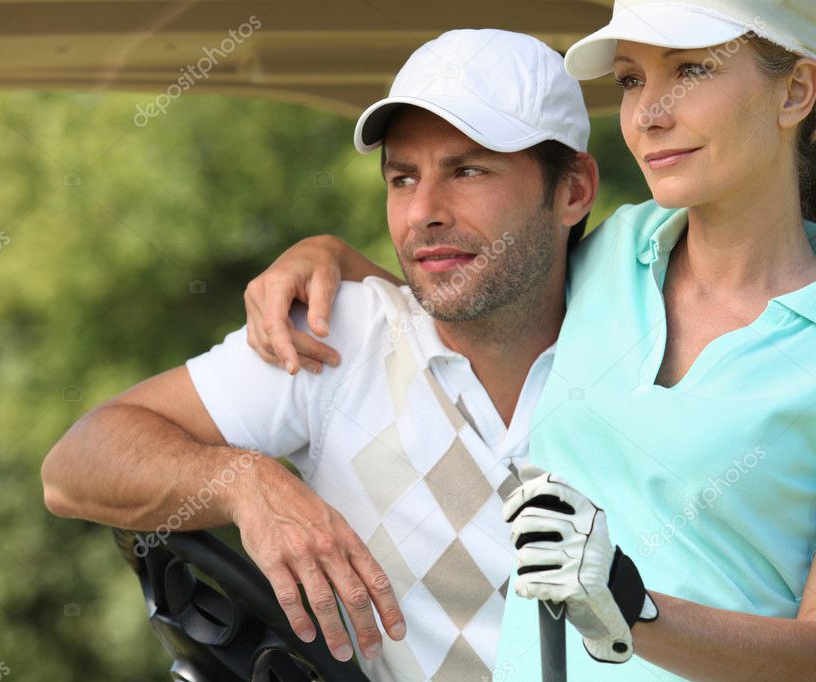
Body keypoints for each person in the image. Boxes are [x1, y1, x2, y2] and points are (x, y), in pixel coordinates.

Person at [243, 1, 816, 679]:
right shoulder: (619, 251)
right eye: (629, 81)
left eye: (689, 70)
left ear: (794, 90)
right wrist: (326, 255)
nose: (648, 113)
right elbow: (469, 282)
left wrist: (626, 605)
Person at [41, 29, 599, 681]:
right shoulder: (341, 336)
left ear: (572, 191)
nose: (422, 212)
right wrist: (247, 483)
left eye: (468, 169)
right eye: (402, 177)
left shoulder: (654, 328)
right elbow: (75, 464)